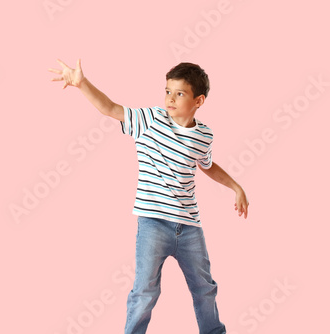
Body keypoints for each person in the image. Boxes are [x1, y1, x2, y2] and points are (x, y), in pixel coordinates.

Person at [48, 59, 249, 334]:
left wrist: (236, 187)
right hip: (153, 224)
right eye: (167, 91)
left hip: (189, 227)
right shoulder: (150, 119)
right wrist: (81, 83)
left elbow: (207, 165)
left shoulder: (203, 134)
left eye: (180, 93)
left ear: (198, 101)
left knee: (205, 288)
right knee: (145, 291)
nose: (170, 98)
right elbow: (110, 108)